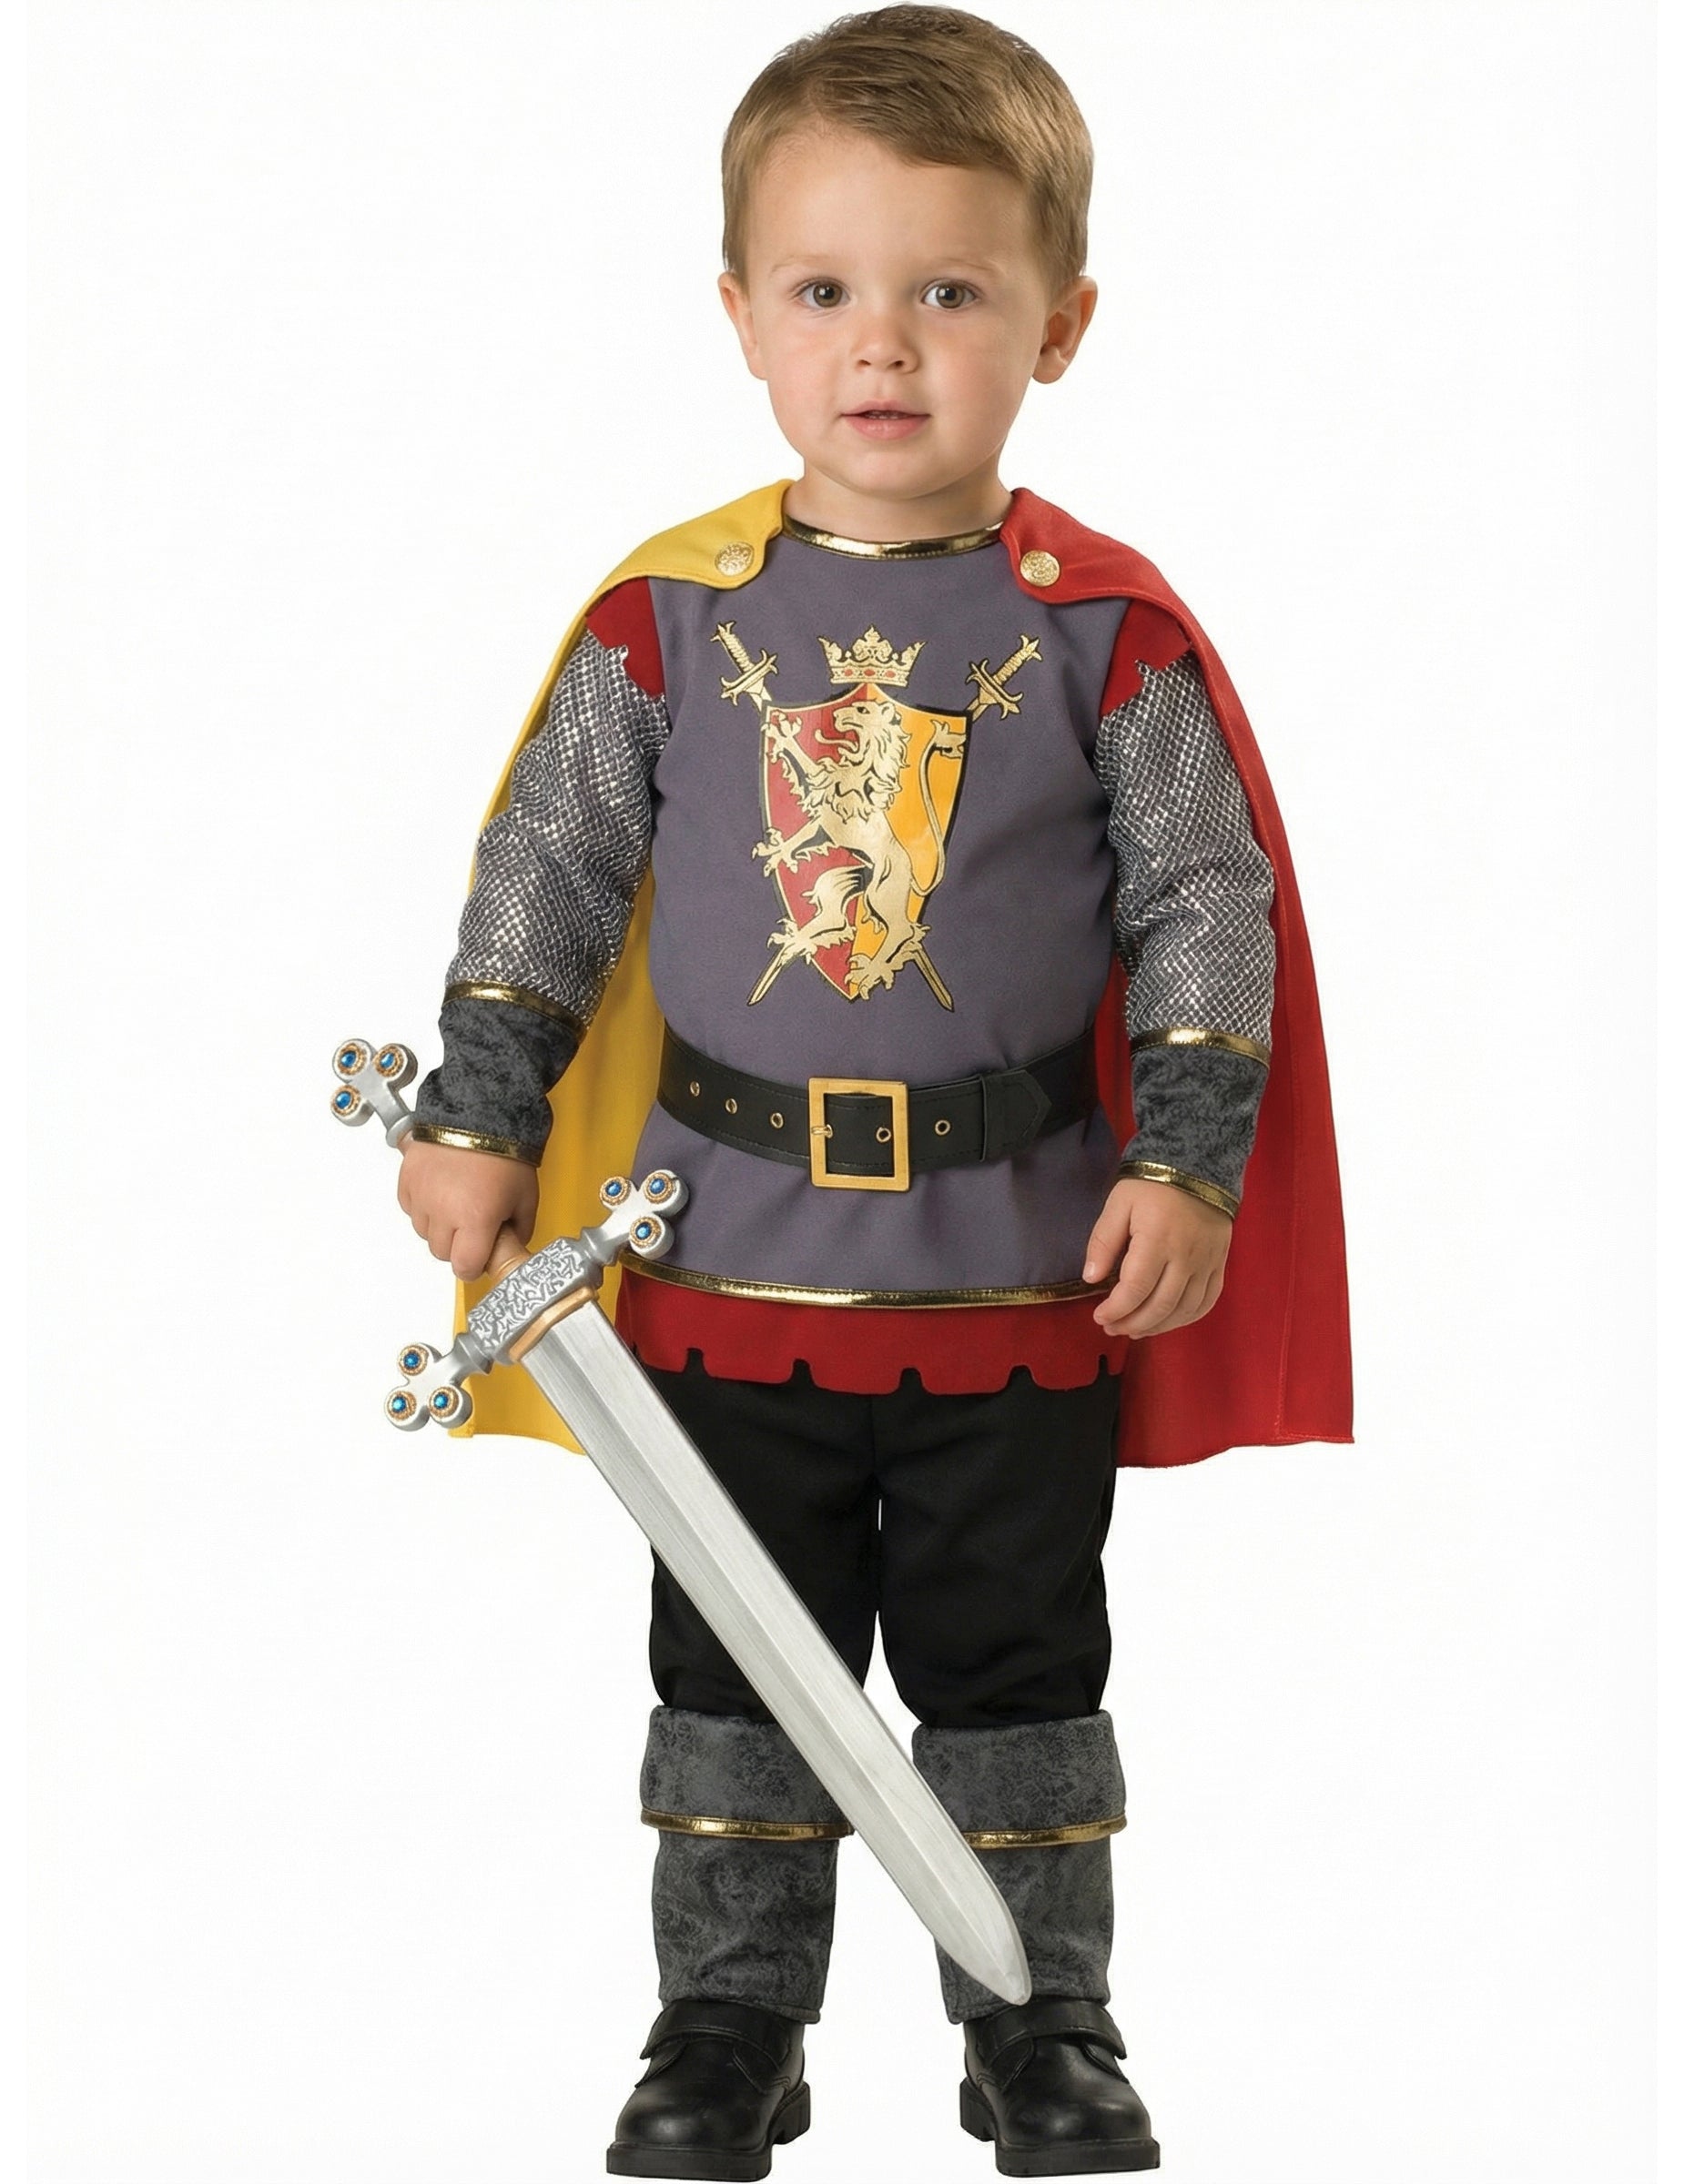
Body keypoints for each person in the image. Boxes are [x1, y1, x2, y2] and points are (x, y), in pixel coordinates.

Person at [395, 6, 1351, 2175]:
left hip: (1015, 1266)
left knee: (1015, 1677)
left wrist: (1190, 1160)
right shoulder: (668, 622)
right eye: (824, 288)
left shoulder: (1104, 637)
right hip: (726, 1259)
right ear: (741, 315)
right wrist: (479, 1106)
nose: (884, 344)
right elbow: (549, 876)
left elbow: (1204, 910)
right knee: (738, 1676)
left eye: (950, 291)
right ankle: (728, 2028)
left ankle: (1042, 2025)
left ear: (1059, 324)